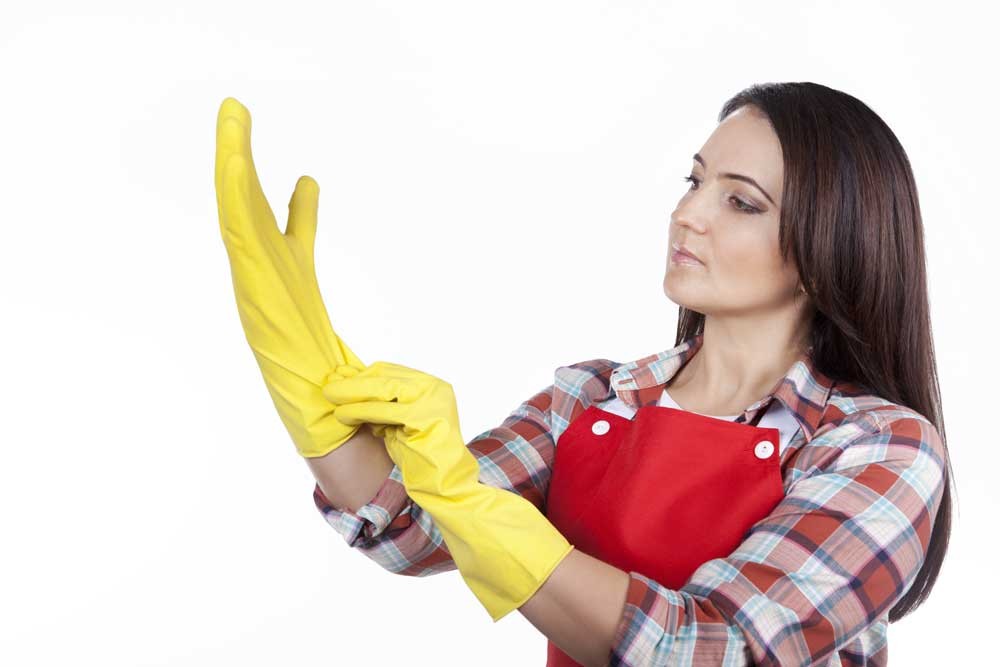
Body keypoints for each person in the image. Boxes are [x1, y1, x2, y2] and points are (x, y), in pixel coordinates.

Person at [215, 81, 953, 666]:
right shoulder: (595, 397)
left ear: (832, 242)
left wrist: (472, 502)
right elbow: (411, 527)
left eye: (739, 201)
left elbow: (714, 649)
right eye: (692, 181)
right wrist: (297, 364)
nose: (688, 213)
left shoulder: (880, 448)